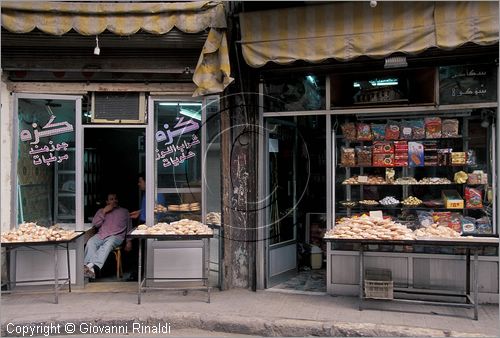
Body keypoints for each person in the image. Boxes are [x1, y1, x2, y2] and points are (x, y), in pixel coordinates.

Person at [84, 192, 131, 279]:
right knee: (91, 242)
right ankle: (91, 270)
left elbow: (129, 228)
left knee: (108, 244)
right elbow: (95, 224)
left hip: (116, 236)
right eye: (111, 199)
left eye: (115, 199)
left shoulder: (124, 212)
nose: (114, 201)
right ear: (107, 202)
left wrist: (128, 241)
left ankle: (91, 266)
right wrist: (104, 211)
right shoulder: (101, 211)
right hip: (102, 235)